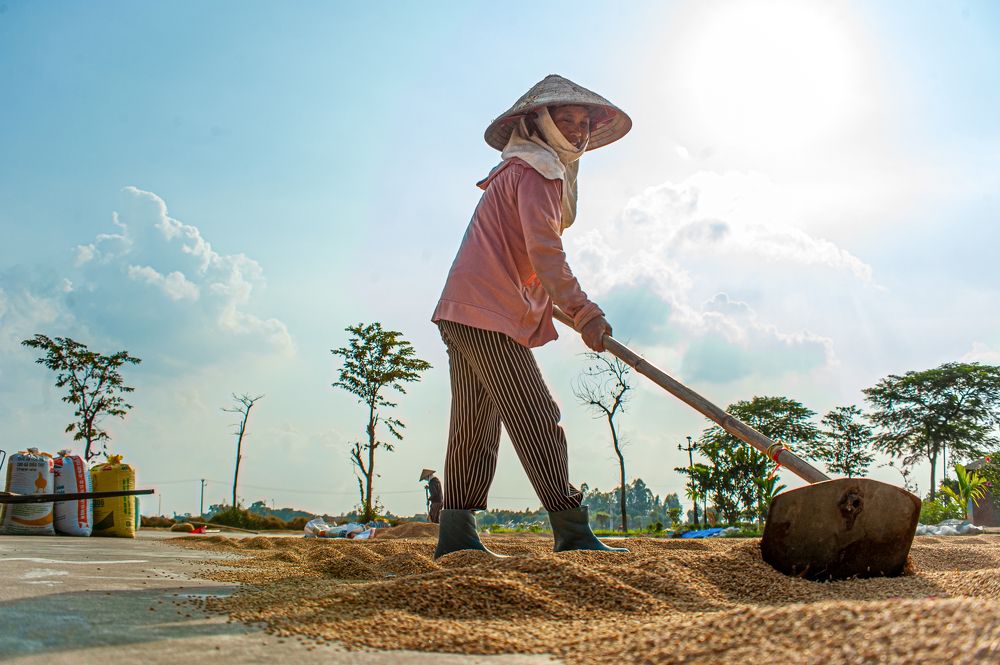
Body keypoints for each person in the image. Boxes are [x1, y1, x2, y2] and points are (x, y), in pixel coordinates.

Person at [431, 74, 632, 558]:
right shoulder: (538, 170)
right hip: (486, 312)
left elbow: (527, 256)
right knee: (536, 414)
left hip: (464, 309)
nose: (579, 131)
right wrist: (585, 311)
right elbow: (546, 254)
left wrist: (564, 304)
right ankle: (572, 531)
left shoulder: (517, 170)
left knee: (475, 422)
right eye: (568, 120)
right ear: (541, 122)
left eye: (585, 123)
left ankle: (457, 540)